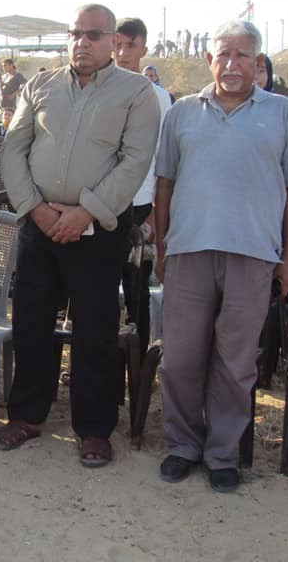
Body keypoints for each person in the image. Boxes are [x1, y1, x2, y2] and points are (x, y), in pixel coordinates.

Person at [0, 3, 160, 466]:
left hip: (98, 232)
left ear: (113, 41)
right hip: (39, 226)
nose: (81, 42)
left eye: (93, 35)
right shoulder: (40, 85)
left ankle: (93, 429)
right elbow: (14, 149)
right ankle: (27, 416)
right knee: (31, 322)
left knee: (95, 330)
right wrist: (36, 208)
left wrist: (85, 212)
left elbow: (135, 160)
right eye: (75, 34)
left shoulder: (137, 92)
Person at [155, 20, 288, 493]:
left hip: (254, 254)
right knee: (180, 357)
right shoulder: (182, 112)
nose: (232, 64)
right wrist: (162, 247)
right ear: (210, 59)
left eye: (242, 55)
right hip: (189, 251)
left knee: (236, 362)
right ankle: (183, 445)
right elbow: (164, 184)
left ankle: (222, 453)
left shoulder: (283, 114)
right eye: (224, 54)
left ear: (258, 63)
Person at [114, 18, 172, 355]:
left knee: (137, 293)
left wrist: (154, 214)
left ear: (143, 49)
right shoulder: (100, 89)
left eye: (131, 46)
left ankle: (138, 370)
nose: (123, 53)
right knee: (98, 291)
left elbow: (164, 160)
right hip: (102, 206)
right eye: (118, 45)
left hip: (140, 205)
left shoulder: (159, 98)